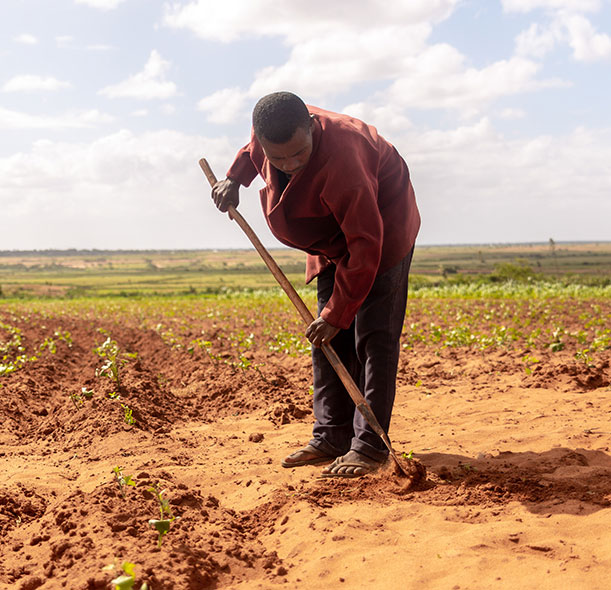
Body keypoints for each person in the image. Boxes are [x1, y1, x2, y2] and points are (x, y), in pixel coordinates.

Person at [211, 91, 420, 478]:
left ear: (310, 126)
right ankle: (331, 435)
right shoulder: (268, 137)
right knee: (325, 338)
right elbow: (249, 153)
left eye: (299, 155)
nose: (289, 165)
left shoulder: (345, 162)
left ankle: (371, 447)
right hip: (328, 237)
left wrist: (339, 313)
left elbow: (365, 245)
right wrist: (233, 181)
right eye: (279, 158)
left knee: (373, 337)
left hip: (381, 231)